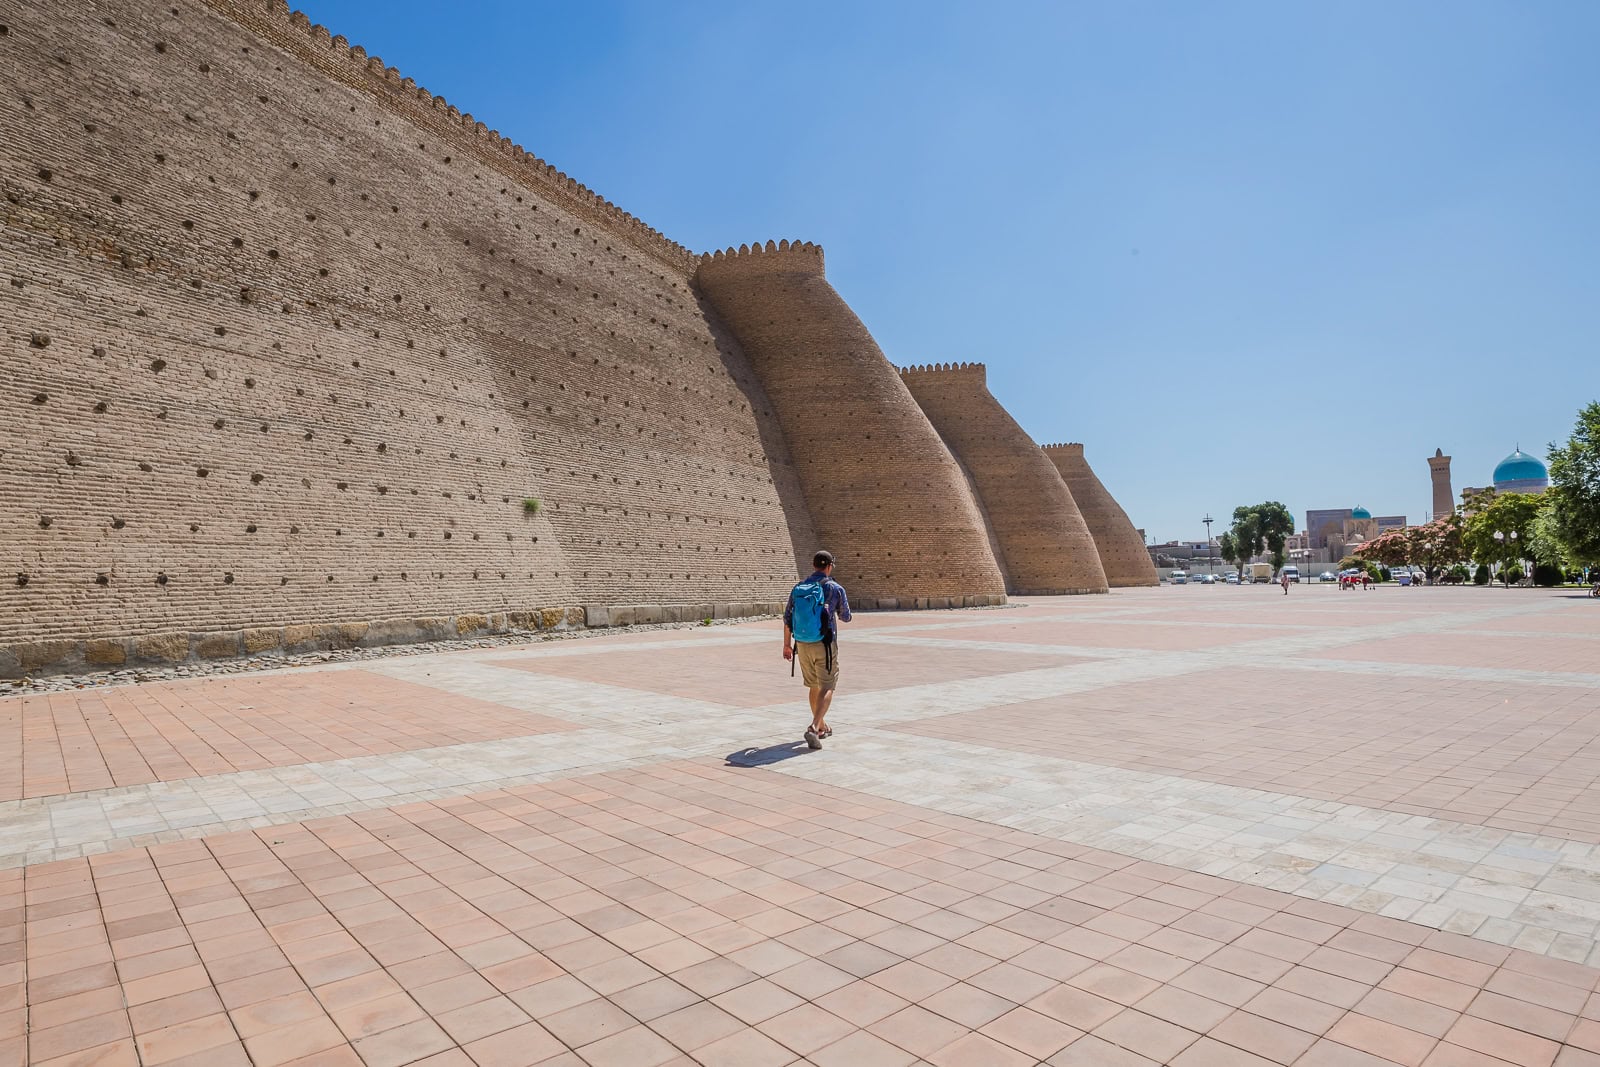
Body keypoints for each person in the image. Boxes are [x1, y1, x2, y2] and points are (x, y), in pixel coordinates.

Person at [782, 550, 852, 749]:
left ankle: (821, 726)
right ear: (829, 566)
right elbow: (846, 617)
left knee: (813, 685)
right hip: (825, 644)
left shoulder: (799, 588)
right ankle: (813, 727)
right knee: (828, 685)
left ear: (814, 566)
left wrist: (786, 645)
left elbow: (787, 618)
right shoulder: (835, 588)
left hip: (802, 644)